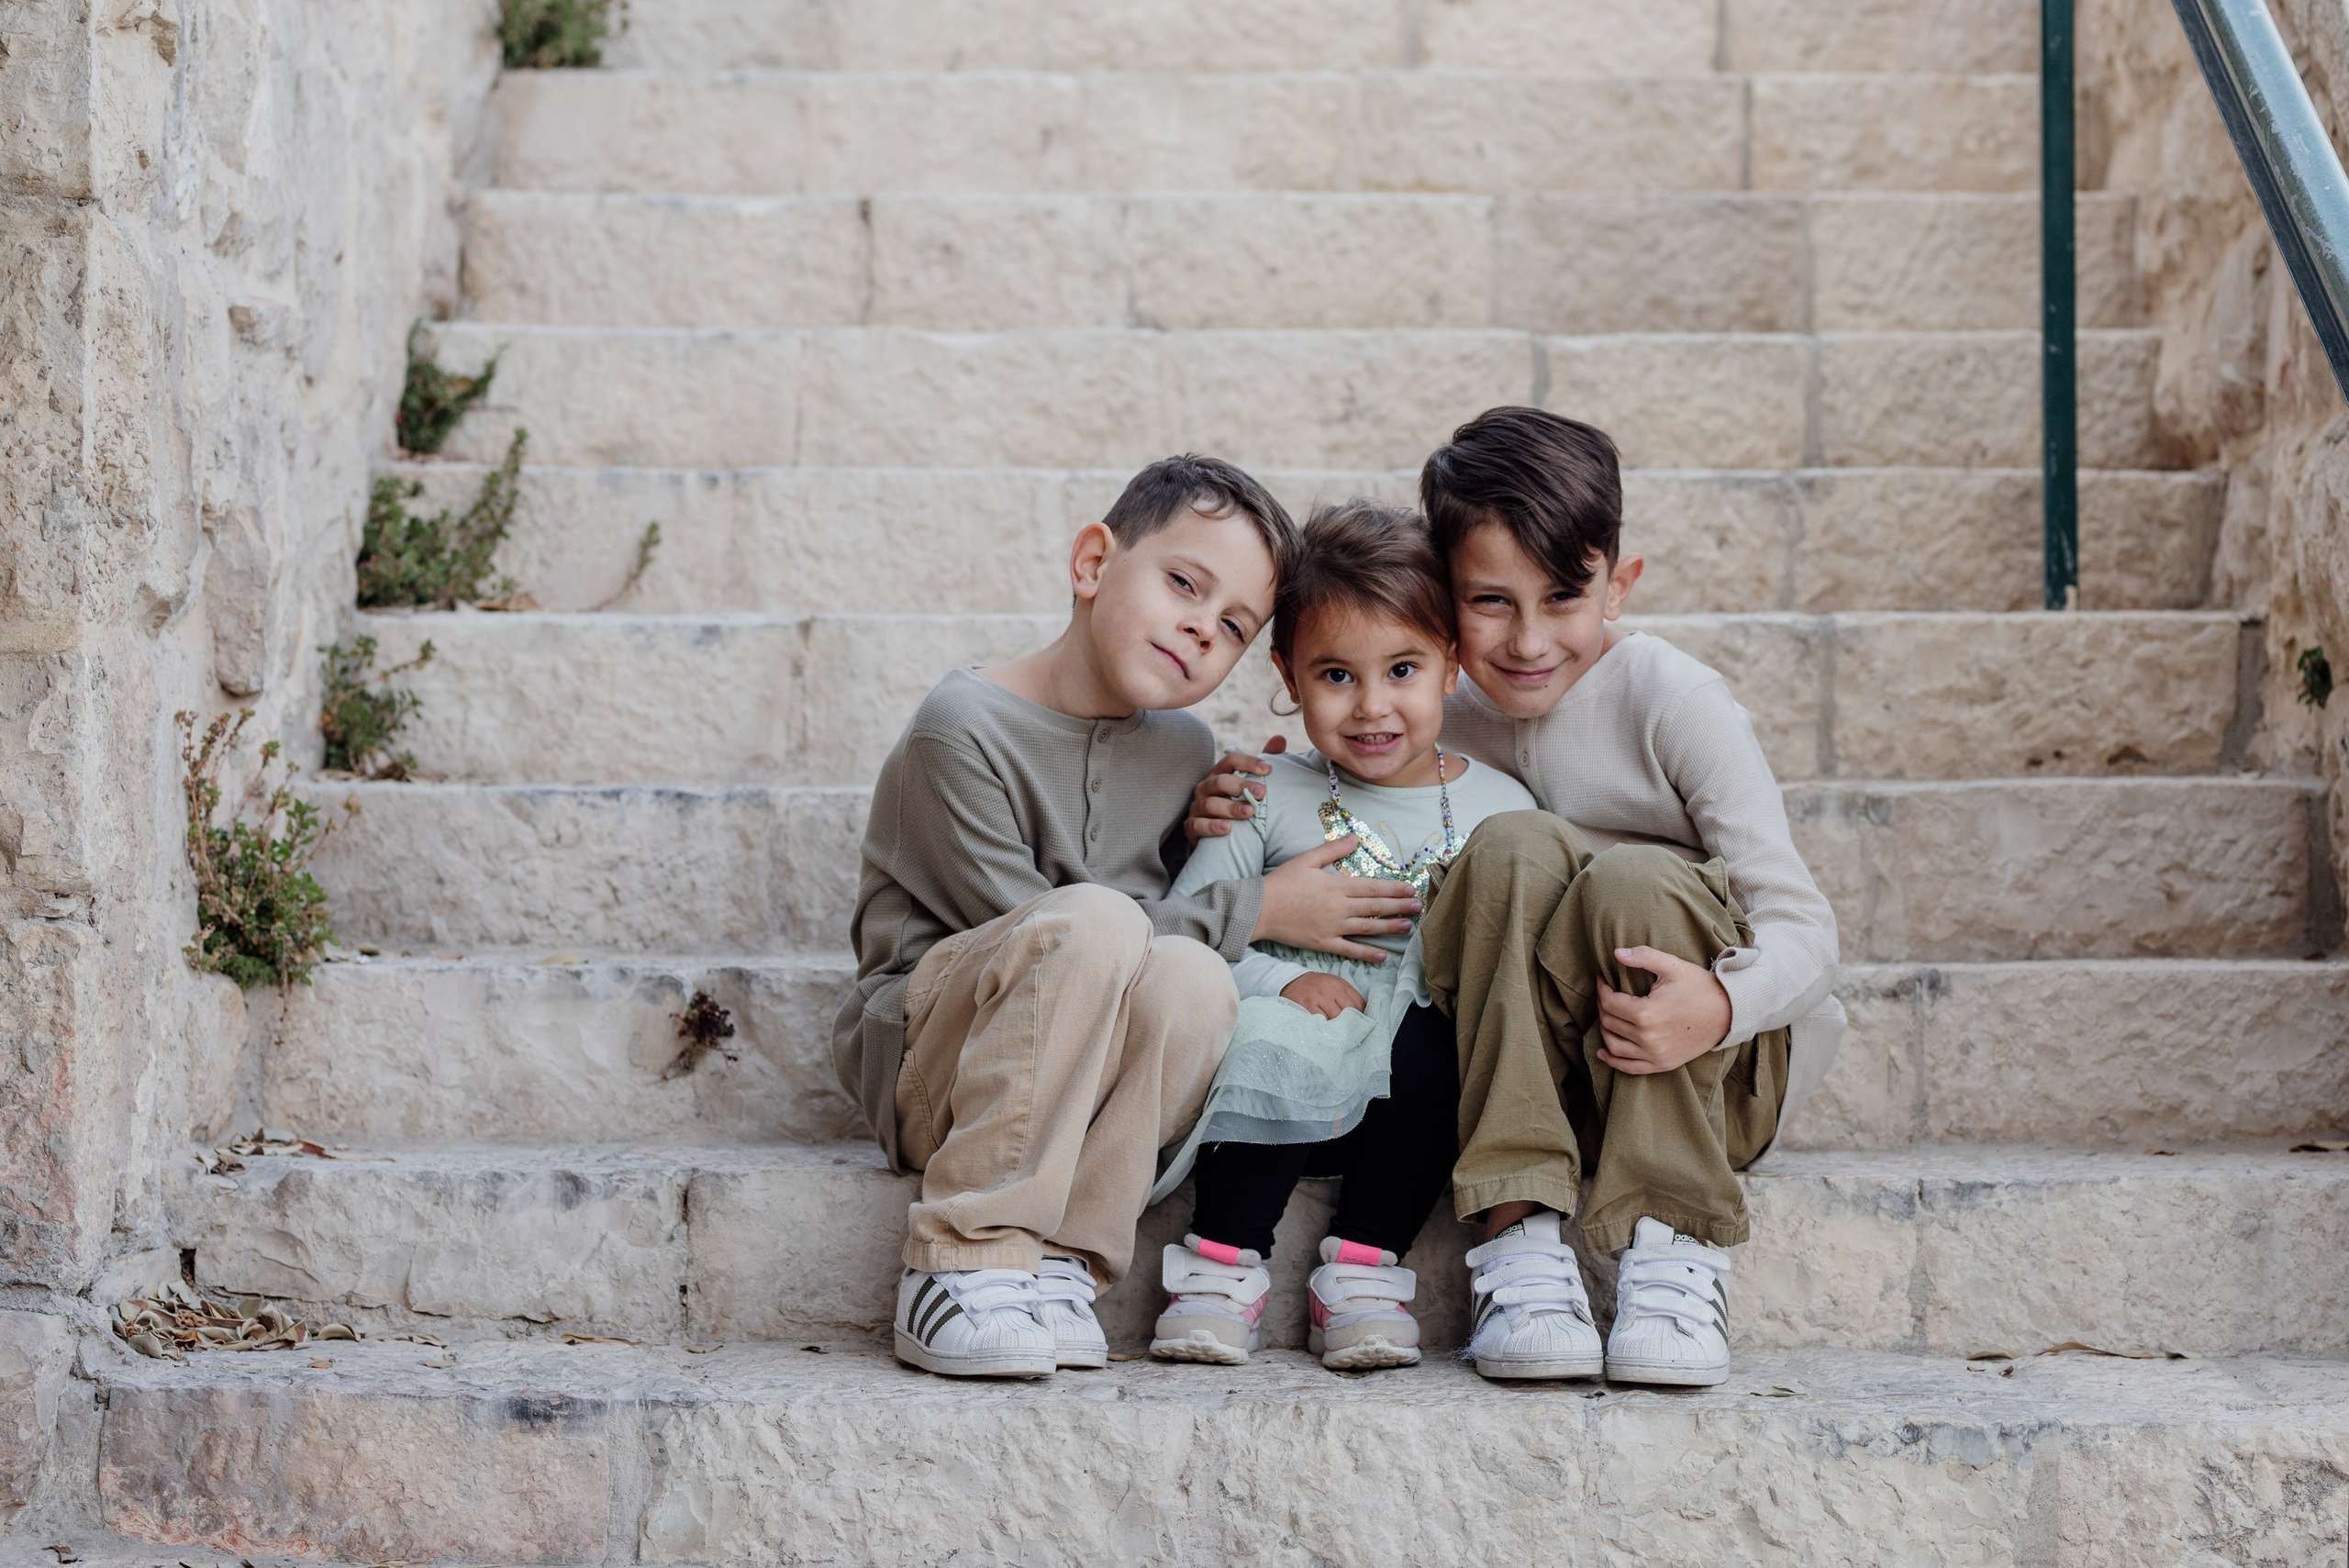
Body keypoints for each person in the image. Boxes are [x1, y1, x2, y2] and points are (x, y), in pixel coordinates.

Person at [1189, 408, 1844, 1387]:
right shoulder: (1427, 716)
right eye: (1490, 602)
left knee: (1628, 874)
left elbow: (1805, 927)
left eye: (1563, 596)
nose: (1528, 639)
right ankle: (1518, 1234)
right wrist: (1230, 790)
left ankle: (1673, 1244)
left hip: (1703, 1067)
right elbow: (1336, 731)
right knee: (1508, 845)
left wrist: (1716, 1006)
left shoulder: (1672, 700)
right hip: (1529, 1072)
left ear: (1618, 583)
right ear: (1443, 607)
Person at [836, 455, 1423, 1379]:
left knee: (1193, 978)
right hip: (937, 1062)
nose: (1200, 624)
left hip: (1083, 1071)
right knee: (1102, 927)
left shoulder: (1183, 747)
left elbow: (1155, 944)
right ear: (1091, 562)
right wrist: (1260, 903)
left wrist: (1238, 825)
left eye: (1232, 625)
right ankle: (964, 1252)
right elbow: (1046, 931)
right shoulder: (962, 724)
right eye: (1183, 582)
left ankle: (1067, 1257)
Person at [1147, 501, 1538, 1373]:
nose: (1372, 707)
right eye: (1335, 675)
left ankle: (1363, 1269)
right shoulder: (1262, 790)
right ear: (1286, 673)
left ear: (1451, 664)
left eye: (1402, 668)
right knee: (1279, 1030)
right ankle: (1220, 1263)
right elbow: (1182, 939)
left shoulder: (1505, 807)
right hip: (1268, 1092)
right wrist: (1275, 984)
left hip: (1412, 1111)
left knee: (1437, 1037)